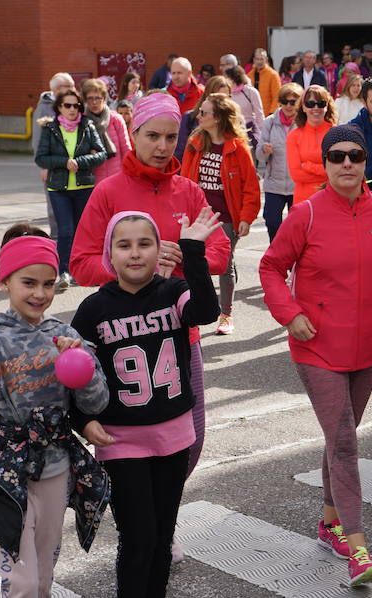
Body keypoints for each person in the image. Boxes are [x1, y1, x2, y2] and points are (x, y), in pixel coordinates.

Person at [261, 124, 372, 588]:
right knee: (345, 442)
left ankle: (329, 522)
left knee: (341, 438)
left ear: (365, 160)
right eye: (337, 157)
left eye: (355, 155)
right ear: (327, 163)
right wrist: (289, 314)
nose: (348, 164)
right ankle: (358, 549)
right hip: (316, 345)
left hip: (370, 344)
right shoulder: (307, 214)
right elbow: (271, 267)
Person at [68, 96, 231, 551]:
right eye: (152, 136)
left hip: (181, 335)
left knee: (188, 441)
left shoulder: (188, 192)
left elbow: (219, 251)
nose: (162, 147)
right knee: (127, 444)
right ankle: (140, 527)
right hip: (121, 344)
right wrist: (133, 271)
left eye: (170, 137)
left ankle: (161, 523)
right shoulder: (108, 191)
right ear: (133, 136)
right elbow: (81, 263)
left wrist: (185, 259)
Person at [0, 226, 109, 597]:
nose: (40, 293)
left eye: (48, 284)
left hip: (57, 464)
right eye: (29, 282)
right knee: (22, 580)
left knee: (44, 572)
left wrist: (81, 363)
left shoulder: (64, 334)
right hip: (4, 471)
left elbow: (96, 403)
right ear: (5, 282)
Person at [71, 209, 221, 598]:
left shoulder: (173, 292)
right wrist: (81, 422)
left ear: (159, 250)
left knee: (161, 538)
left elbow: (205, 312)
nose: (135, 253)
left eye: (144, 244)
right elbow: (72, 376)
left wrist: (193, 251)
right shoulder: (93, 309)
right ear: (110, 253)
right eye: (124, 245)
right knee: (137, 540)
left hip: (173, 435)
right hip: (121, 441)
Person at [182, 93, 261, 335]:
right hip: (199, 216)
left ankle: (226, 315)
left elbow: (250, 186)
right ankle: (194, 309)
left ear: (217, 118)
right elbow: (184, 181)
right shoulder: (195, 142)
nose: (199, 116)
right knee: (192, 263)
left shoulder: (237, 148)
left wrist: (246, 218)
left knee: (225, 265)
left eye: (204, 112)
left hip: (226, 217)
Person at [35, 88, 107, 290]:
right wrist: (64, 162)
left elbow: (101, 154)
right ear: (59, 107)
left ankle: (80, 270)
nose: (72, 109)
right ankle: (64, 271)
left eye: (76, 105)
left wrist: (80, 161)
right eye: (67, 105)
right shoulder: (50, 128)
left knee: (82, 232)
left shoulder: (87, 125)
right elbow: (40, 157)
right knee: (65, 230)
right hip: (59, 188)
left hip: (84, 186)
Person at [257, 82, 303, 241]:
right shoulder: (270, 121)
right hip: (274, 184)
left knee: (296, 227)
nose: (288, 106)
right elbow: (259, 156)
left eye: (293, 102)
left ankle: (294, 261)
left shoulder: (303, 122)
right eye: (284, 101)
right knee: (272, 222)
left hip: (297, 185)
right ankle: (276, 254)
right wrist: (264, 149)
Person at [33, 72, 74, 238]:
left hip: (72, 165)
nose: (74, 88)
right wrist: (44, 166)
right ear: (57, 89)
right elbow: (38, 140)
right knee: (56, 208)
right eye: (69, 86)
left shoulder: (73, 104)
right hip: (53, 166)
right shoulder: (44, 108)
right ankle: (57, 242)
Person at [286, 85, 337, 204]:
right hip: (303, 201)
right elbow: (296, 175)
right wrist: (325, 172)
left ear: (327, 106)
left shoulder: (336, 133)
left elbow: (336, 172)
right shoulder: (294, 136)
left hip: (332, 198)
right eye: (310, 104)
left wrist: (308, 166)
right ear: (303, 107)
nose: (315, 108)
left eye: (321, 103)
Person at [83, 78, 133, 184]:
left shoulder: (116, 119)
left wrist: (128, 174)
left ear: (104, 98)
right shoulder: (83, 120)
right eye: (90, 98)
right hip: (92, 179)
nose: (94, 102)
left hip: (116, 177)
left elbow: (126, 149)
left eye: (98, 98)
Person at [174, 75, 233, 162]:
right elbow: (180, 154)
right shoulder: (190, 119)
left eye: (227, 97)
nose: (224, 103)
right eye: (219, 99)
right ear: (208, 96)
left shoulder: (234, 122)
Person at [226, 65, 264, 152]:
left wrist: (262, 135)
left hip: (248, 132)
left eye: (228, 78)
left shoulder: (251, 92)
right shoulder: (226, 93)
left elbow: (259, 114)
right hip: (230, 133)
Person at [249, 48, 281, 116]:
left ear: (266, 60)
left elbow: (277, 95)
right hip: (253, 114)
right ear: (254, 60)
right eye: (257, 59)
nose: (259, 62)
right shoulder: (249, 75)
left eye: (261, 59)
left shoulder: (273, 75)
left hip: (268, 114)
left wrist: (272, 113)